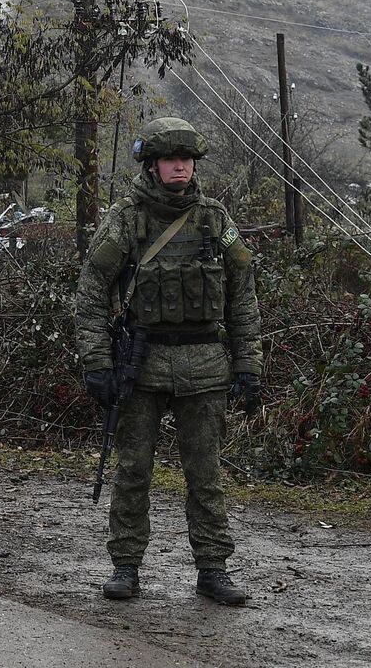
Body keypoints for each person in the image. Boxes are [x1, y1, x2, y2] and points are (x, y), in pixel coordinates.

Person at [73, 116, 262, 606]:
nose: (180, 167)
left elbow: (242, 297)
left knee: (206, 474)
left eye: (187, 160)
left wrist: (249, 365)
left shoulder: (215, 220)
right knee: (133, 469)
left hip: (205, 365)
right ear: (153, 166)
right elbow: (91, 293)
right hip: (142, 363)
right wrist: (96, 362)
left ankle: (213, 569)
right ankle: (126, 566)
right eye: (170, 160)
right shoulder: (125, 219)